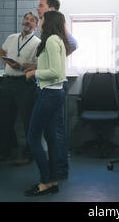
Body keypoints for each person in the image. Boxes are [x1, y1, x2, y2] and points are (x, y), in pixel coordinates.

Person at [24, 10, 70, 196]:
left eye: (41, 18)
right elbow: (53, 69)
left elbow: (56, 72)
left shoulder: (51, 40)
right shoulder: (56, 40)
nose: (39, 20)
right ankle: (52, 181)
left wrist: (34, 73)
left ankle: (44, 181)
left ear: (48, 22)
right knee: (50, 138)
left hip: (49, 94)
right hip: (55, 93)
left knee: (33, 137)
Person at [34, 0, 77, 180]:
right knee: (51, 130)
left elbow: (74, 44)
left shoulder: (55, 32)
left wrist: (57, 58)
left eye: (41, 6)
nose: (38, 8)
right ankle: (54, 170)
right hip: (49, 84)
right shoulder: (50, 32)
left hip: (54, 85)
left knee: (56, 129)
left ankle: (59, 170)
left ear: (51, 9)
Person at [0, 12, 40, 164]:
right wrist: (6, 64)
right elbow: (2, 51)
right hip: (8, 82)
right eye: (26, 19)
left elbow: (40, 64)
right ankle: (5, 151)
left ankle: (28, 154)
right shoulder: (12, 38)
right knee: (4, 118)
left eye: (32, 20)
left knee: (28, 120)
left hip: (25, 84)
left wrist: (22, 67)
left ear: (35, 26)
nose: (28, 22)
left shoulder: (38, 43)